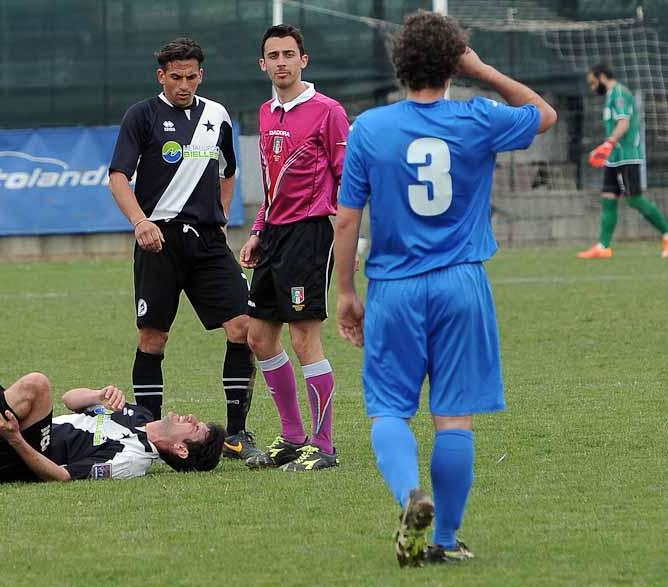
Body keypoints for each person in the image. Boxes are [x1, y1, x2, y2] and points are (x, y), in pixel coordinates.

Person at [334, 12, 556, 567]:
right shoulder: (477, 117)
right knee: (454, 417)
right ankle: (446, 539)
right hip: (462, 284)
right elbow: (543, 114)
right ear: (455, 62)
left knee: (389, 410)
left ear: (399, 64)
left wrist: (344, 293)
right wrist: (481, 69)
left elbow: (345, 221)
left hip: (393, 287)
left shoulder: (370, 129)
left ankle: (411, 494)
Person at [108, 37, 262, 460]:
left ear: (201, 75)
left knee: (243, 327)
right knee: (153, 338)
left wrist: (223, 212)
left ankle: (236, 434)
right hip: (158, 242)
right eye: (175, 77)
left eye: (191, 76)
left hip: (208, 242)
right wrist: (141, 222)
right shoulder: (142, 115)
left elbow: (228, 170)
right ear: (162, 76)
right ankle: (151, 435)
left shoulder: (217, 116)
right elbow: (118, 177)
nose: (184, 84)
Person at [0, 346, 225, 486]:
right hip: (19, 433)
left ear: (180, 449)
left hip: (22, 459)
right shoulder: (137, 414)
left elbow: (64, 477)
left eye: (194, 427)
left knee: (37, 385)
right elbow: (70, 399)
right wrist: (98, 395)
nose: (190, 417)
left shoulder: (132, 461)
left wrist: (15, 438)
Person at [238, 25, 349, 472]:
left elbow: (348, 181)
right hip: (275, 235)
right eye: (273, 55)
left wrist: (350, 240)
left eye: (289, 54)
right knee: (259, 336)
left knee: (305, 338)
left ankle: (323, 446)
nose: (281, 62)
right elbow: (271, 183)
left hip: (310, 233)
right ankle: (291, 437)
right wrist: (258, 229)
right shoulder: (266, 112)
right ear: (262, 65)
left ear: (304, 60)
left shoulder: (328, 111)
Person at [577, 64, 668, 259]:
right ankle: (603, 247)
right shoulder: (610, 96)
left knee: (634, 198)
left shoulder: (619, 94)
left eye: (593, 83)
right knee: (608, 197)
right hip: (615, 157)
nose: (593, 88)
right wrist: (605, 147)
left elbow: (624, 122)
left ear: (602, 77)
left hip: (628, 155)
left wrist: (608, 143)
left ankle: (667, 234)